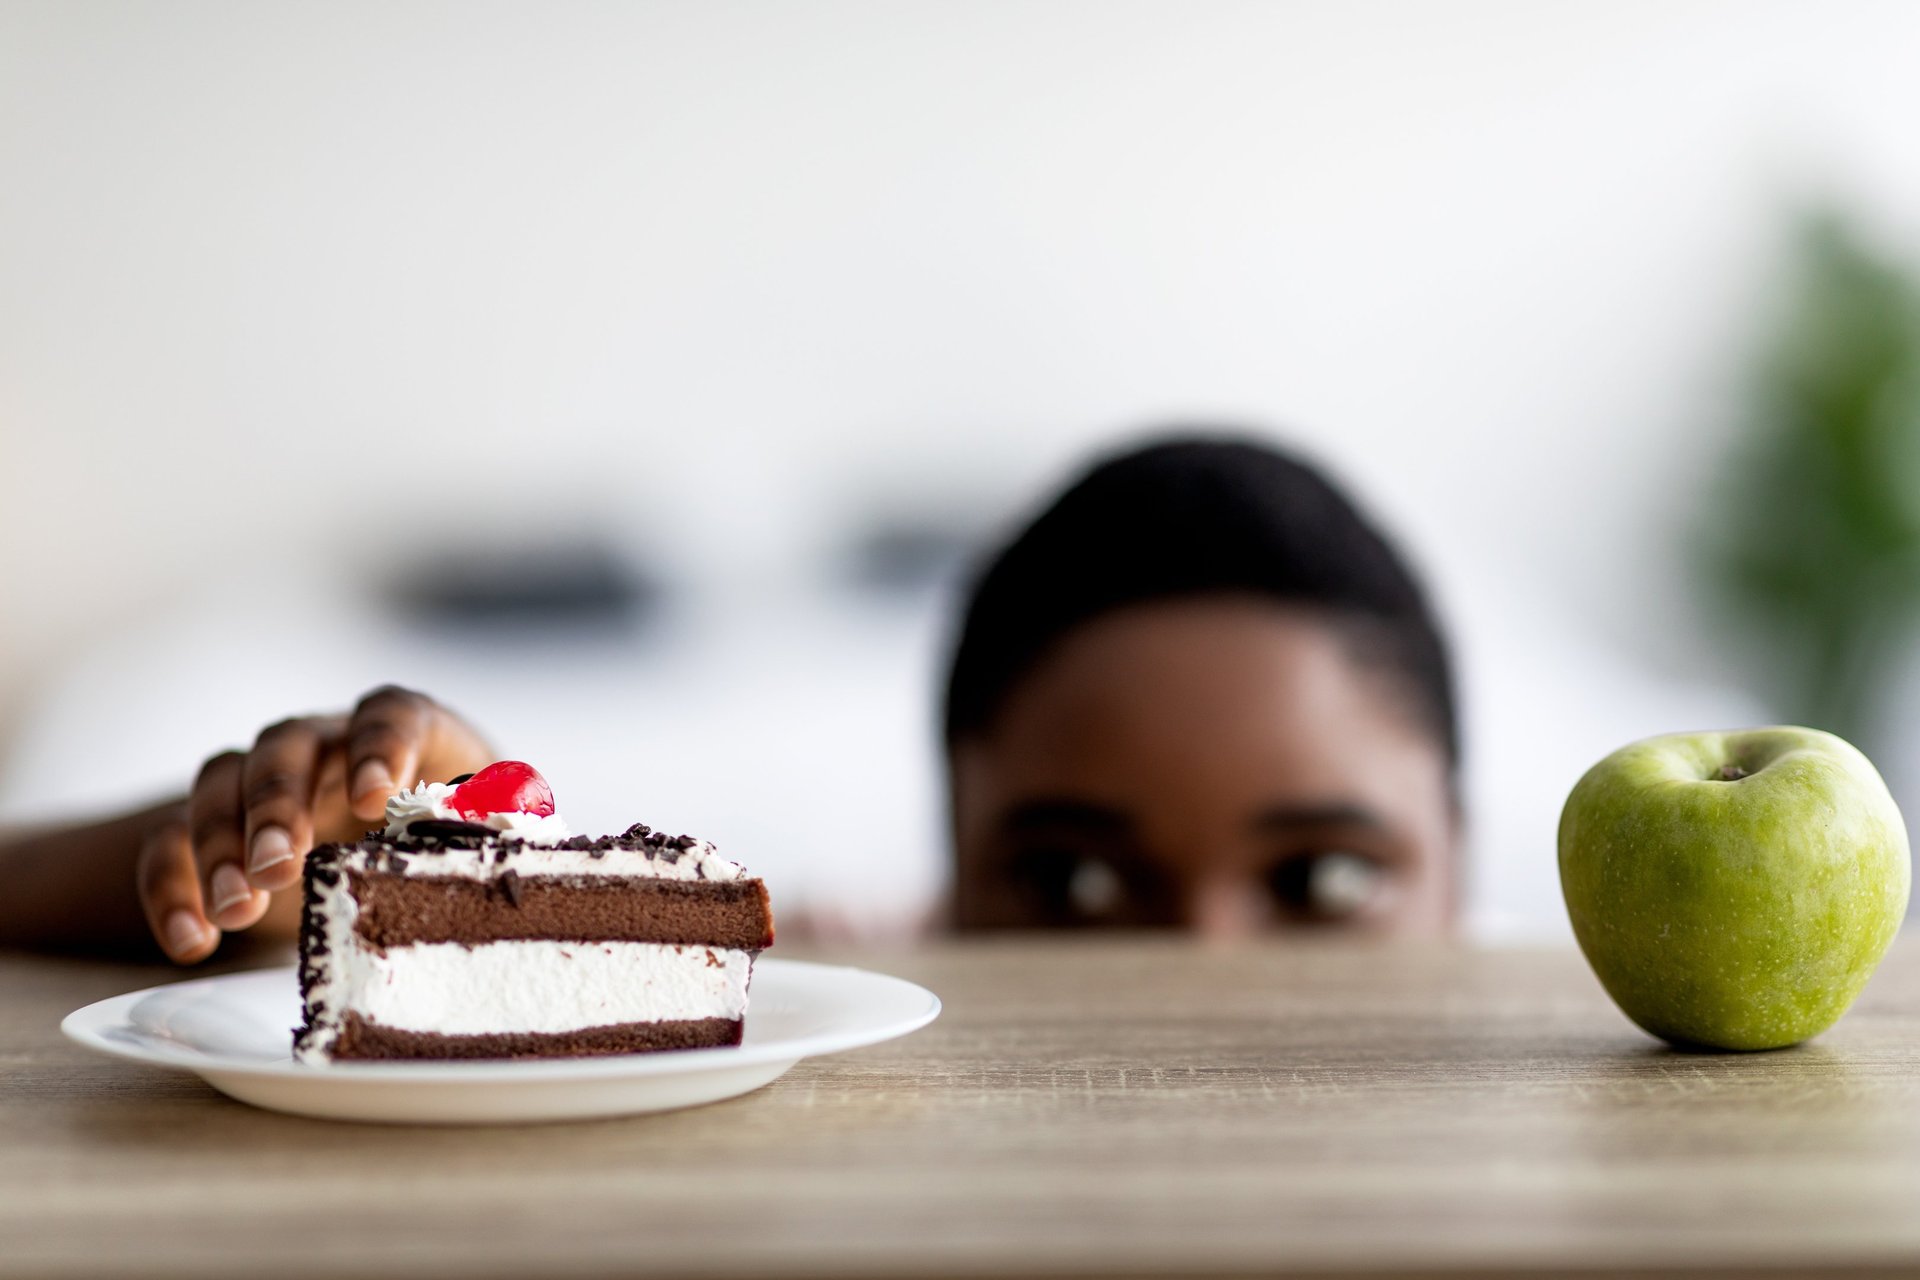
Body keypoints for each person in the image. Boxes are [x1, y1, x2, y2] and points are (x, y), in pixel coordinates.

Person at [0, 435, 1460, 959]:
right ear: (949, 862)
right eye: (1073, 882)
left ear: (1469, 867)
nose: (1199, 976)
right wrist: (380, 886)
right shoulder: (844, 969)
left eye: (1326, 880)